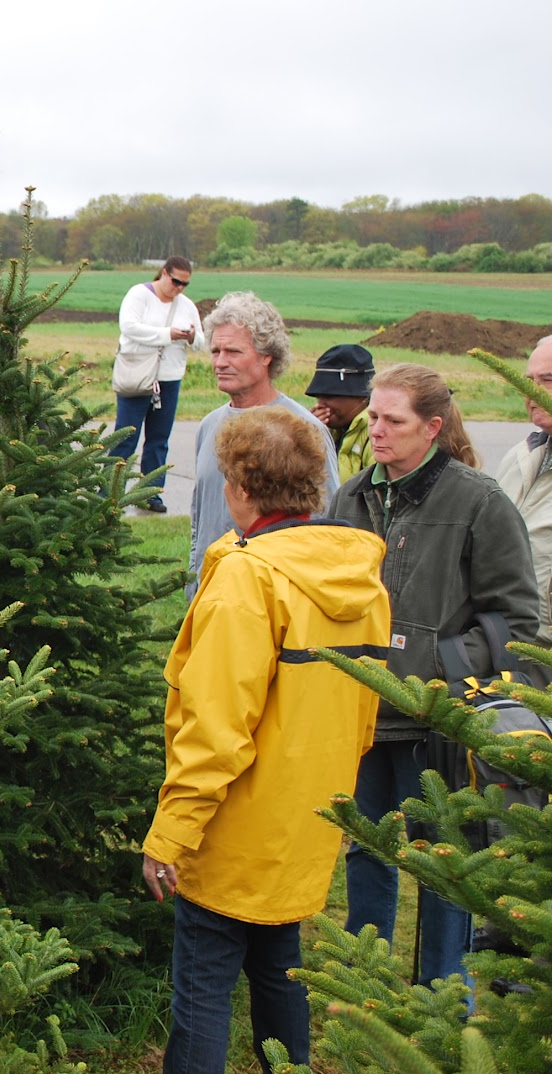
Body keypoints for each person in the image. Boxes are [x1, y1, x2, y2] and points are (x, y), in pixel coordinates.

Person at [142, 407, 388, 1074]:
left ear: (241, 491)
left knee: (202, 989)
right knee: (280, 968)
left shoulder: (247, 581)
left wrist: (170, 836)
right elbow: (365, 716)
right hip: (306, 825)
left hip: (233, 833)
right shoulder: (362, 581)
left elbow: (214, 731)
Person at [331, 363, 538, 986]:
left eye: (395, 420)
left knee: (446, 863)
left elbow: (517, 624)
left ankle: (444, 995)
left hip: (440, 724)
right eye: (374, 417)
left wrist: (435, 675)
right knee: (369, 849)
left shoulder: (481, 503)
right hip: (364, 718)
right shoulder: (351, 497)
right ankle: (363, 981)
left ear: (434, 428)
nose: (378, 430)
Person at [187, 291, 339, 599]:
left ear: (266, 355)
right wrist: (194, 583)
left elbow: (327, 521)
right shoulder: (209, 426)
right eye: (215, 351)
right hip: (210, 591)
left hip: (269, 595)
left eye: (233, 351)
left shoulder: (301, 429)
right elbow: (200, 519)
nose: (220, 362)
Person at [108, 256, 203, 513]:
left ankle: (150, 493)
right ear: (163, 274)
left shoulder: (185, 305)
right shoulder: (139, 295)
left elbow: (202, 340)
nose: (179, 288)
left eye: (185, 284)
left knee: (159, 439)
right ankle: (107, 491)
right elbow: (128, 327)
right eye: (176, 281)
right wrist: (167, 334)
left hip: (169, 378)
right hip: (137, 375)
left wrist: (191, 336)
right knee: (126, 435)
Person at [495, 336, 552, 686]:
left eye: (547, 380)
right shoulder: (521, 456)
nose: (531, 391)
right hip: (511, 644)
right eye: (528, 380)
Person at [307, 343, 377, 480]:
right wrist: (307, 440)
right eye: (318, 397)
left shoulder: (375, 436)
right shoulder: (329, 432)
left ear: (362, 396)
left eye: (330, 396)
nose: (321, 404)